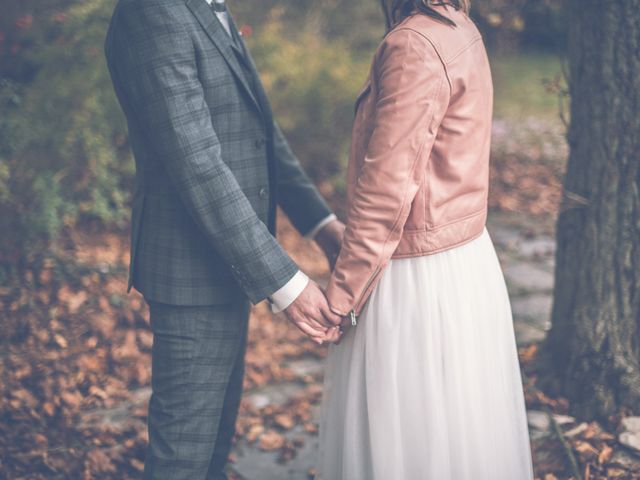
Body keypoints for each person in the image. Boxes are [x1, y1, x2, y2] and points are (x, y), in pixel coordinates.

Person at [103, 0, 344, 478]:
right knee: (183, 460)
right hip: (188, 272)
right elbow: (198, 162)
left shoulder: (208, 6)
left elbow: (261, 136)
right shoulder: (151, 13)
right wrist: (289, 285)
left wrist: (322, 226)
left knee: (212, 450)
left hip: (227, 262)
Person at [317, 1, 535, 478]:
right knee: (453, 438)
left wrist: (342, 295)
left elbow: (386, 188)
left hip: (416, 276)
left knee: (410, 441)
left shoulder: (413, 44)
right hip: (463, 263)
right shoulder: (460, 27)